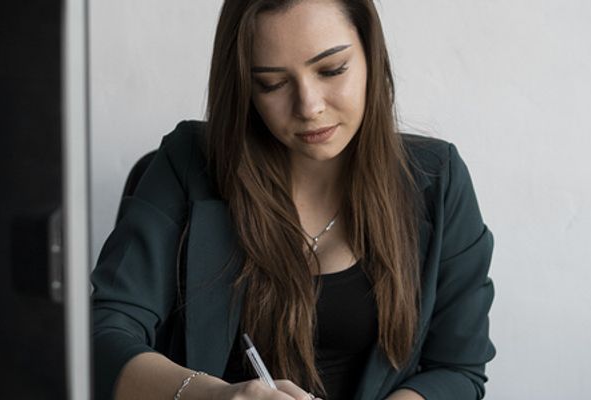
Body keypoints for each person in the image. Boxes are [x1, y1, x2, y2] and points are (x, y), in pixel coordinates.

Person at [90, 0, 496, 399]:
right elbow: (101, 335)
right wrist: (215, 396)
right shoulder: (187, 164)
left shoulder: (437, 178)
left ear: (371, 54)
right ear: (245, 86)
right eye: (272, 83)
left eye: (331, 70)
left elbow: (458, 369)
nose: (309, 106)